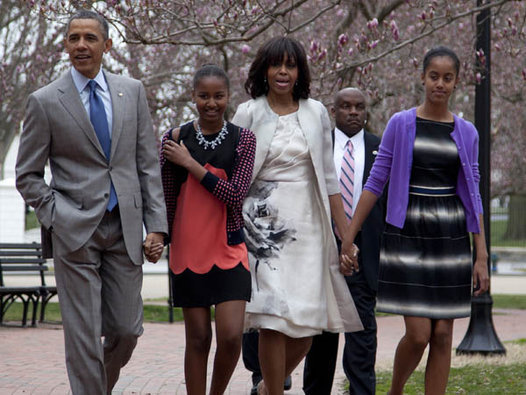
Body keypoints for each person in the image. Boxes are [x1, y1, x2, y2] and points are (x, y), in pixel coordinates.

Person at [15, 9, 167, 395]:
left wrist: (159, 228)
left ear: (107, 45)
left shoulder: (131, 91)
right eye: (73, 38)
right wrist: (58, 216)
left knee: (126, 331)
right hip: (74, 231)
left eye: (90, 38)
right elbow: (27, 176)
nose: (81, 45)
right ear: (65, 45)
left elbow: (147, 164)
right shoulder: (45, 101)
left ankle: (97, 387)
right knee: (82, 337)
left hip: (126, 227)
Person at [341, 46, 490, 395]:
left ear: (456, 83)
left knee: (442, 335)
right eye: (434, 76)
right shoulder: (401, 123)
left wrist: (480, 254)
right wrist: (350, 236)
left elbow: (474, 193)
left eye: (447, 78)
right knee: (420, 333)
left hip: (451, 238)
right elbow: (376, 181)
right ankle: (396, 390)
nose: (440, 83)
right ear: (422, 77)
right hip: (407, 235)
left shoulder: (467, 132)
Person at [232, 36, 363, 395]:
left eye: (291, 65)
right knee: (272, 319)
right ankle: (273, 391)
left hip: (308, 229)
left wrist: (345, 236)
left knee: (307, 326)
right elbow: (234, 174)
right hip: (261, 228)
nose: (283, 72)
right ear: (265, 70)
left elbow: (329, 178)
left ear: (300, 71)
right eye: (277, 65)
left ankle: (263, 390)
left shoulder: (316, 111)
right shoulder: (249, 112)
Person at [160, 64, 256, 394]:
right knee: (198, 337)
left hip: (229, 249)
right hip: (188, 250)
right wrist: (159, 237)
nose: (211, 103)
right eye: (203, 96)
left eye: (218, 96)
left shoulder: (243, 139)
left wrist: (191, 164)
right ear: (193, 97)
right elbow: (168, 199)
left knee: (230, 336)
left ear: (229, 97)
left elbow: (235, 195)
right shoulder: (173, 139)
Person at [303, 87, 384, 394]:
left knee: (362, 336)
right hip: (323, 251)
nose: (353, 112)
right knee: (322, 335)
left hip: (364, 253)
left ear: (366, 111)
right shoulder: (318, 148)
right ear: (333, 112)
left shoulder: (380, 148)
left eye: (359, 107)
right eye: (346, 107)